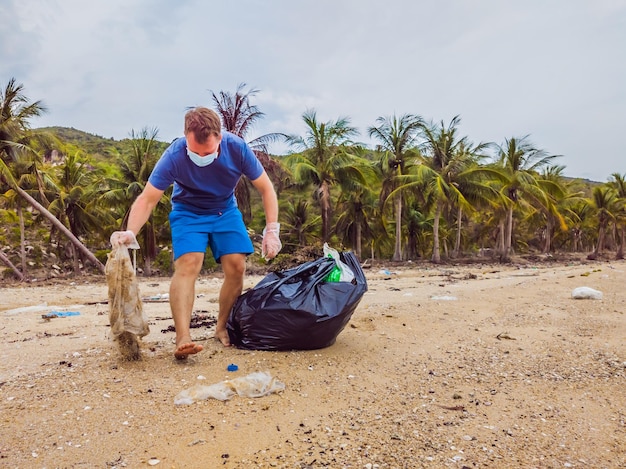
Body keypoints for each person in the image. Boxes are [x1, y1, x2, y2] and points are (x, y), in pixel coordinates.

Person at [110, 106, 281, 359]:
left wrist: (272, 230)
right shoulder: (175, 155)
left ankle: (222, 327)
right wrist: (130, 232)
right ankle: (183, 338)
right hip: (188, 211)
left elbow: (266, 189)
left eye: (208, 152)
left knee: (236, 266)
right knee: (189, 262)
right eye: (195, 152)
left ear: (220, 138)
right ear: (185, 137)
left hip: (225, 209)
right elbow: (147, 199)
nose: (201, 156)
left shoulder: (237, 148)